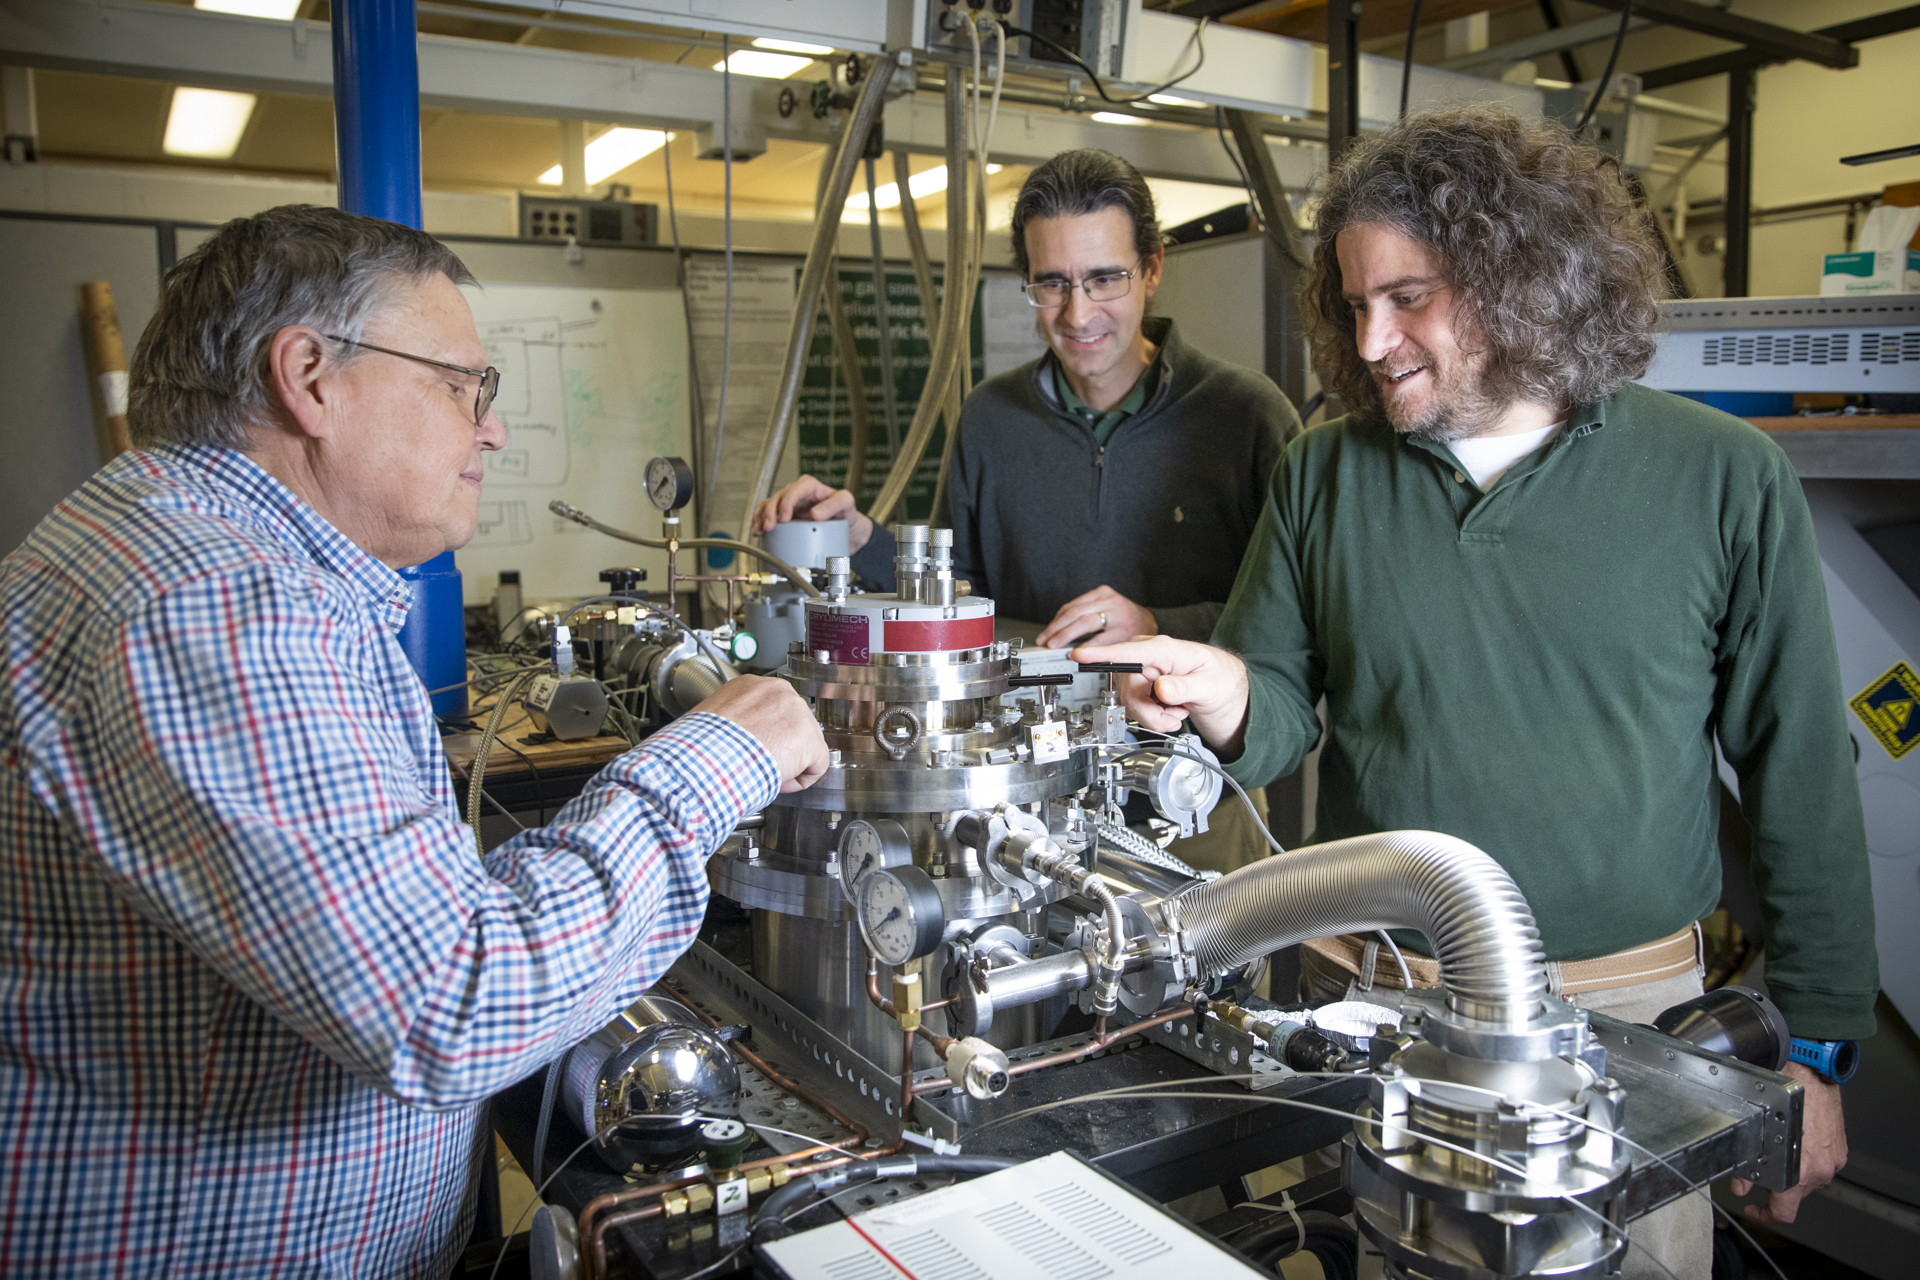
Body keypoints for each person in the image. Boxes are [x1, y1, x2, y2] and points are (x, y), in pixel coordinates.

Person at [1078, 107, 1876, 1278]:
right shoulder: (1326, 468)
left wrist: (1816, 1046)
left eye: (1411, 296)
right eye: (1355, 304)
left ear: (1527, 280)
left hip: (1629, 1022)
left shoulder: (1719, 475)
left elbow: (1799, 764)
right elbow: (1283, 707)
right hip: (1370, 1000)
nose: (1375, 336)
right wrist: (1221, 694)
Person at [0, 205, 828, 1276]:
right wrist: (722, 749)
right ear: (308, 377)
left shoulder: (220, 560)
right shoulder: (213, 606)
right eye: (460, 385)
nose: (489, 428)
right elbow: (450, 997)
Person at [754, 149, 1300, 871]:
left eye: (1105, 278)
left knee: (1214, 982)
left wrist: (1161, 628)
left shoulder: (1246, 417)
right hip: (1028, 811)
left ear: (1154, 268)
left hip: (1197, 804)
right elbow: (959, 601)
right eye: (1053, 283)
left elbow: (1291, 627)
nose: (1078, 315)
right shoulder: (990, 419)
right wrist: (861, 542)